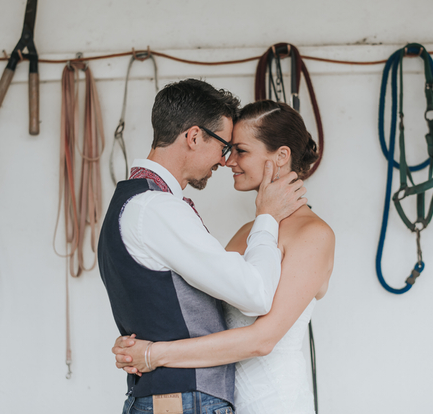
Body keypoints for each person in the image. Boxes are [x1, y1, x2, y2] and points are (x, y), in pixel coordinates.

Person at [112, 100, 335, 414]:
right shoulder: (250, 232)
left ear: (281, 156)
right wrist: (138, 341)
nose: (228, 161)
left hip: (273, 402)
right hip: (220, 402)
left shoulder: (314, 235)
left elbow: (262, 340)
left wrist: (154, 354)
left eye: (241, 151)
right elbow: (202, 315)